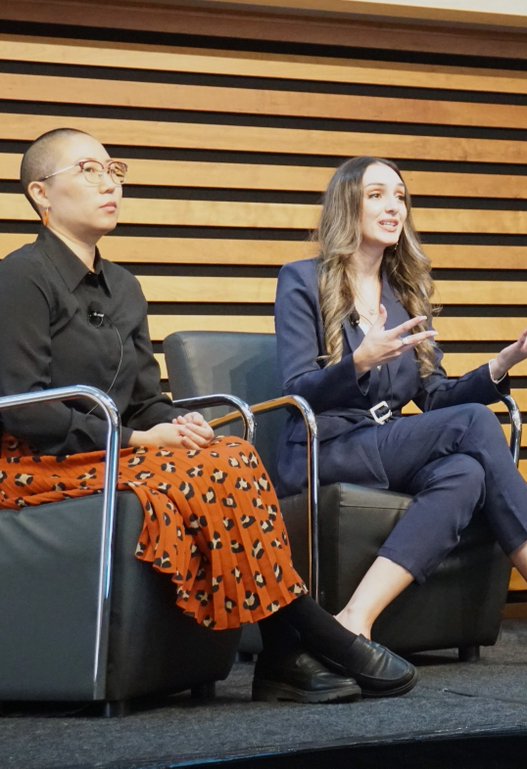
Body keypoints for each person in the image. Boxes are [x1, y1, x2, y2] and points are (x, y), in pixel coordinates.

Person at [0, 128, 418, 704]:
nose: (109, 183)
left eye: (113, 169)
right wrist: (138, 438)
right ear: (42, 196)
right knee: (203, 472)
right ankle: (310, 637)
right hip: (38, 461)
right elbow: (26, 407)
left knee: (228, 452)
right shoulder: (20, 277)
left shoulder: (124, 287)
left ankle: (282, 654)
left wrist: (171, 424)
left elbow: (145, 397)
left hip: (117, 447)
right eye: (89, 171)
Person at [273, 156, 527, 657]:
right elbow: (296, 390)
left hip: (381, 443)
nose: (393, 206)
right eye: (376, 195)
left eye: (399, 195)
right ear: (345, 204)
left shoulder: (403, 295)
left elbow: (436, 396)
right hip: (322, 447)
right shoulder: (301, 279)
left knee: (465, 471)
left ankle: (356, 618)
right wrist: (358, 362)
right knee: (473, 425)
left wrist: (500, 366)